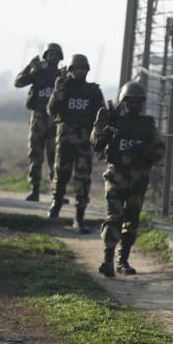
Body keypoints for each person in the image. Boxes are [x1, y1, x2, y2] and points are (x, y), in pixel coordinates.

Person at [91, 81, 165, 277]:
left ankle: (123, 260)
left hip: (138, 179)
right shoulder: (114, 122)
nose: (134, 105)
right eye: (130, 101)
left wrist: (145, 152)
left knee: (131, 220)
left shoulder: (147, 125)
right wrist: (101, 126)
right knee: (114, 217)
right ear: (123, 102)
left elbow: (160, 150)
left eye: (138, 102)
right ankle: (107, 259)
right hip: (116, 176)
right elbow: (96, 145)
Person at [47, 53, 105, 232]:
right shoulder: (63, 87)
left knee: (82, 179)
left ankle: (79, 217)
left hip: (84, 142)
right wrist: (58, 91)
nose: (80, 71)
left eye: (83, 68)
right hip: (65, 138)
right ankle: (56, 204)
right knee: (61, 173)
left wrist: (100, 139)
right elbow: (51, 110)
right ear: (71, 70)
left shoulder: (93, 91)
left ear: (87, 70)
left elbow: (101, 116)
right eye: (76, 68)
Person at [14, 43, 63, 201]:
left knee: (54, 156)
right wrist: (30, 67)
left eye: (55, 55)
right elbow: (18, 83)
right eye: (50, 54)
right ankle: (35, 189)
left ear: (60, 57)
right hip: (38, 117)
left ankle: (56, 192)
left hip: (55, 119)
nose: (52, 57)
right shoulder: (38, 72)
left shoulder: (63, 75)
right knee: (35, 154)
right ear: (45, 56)